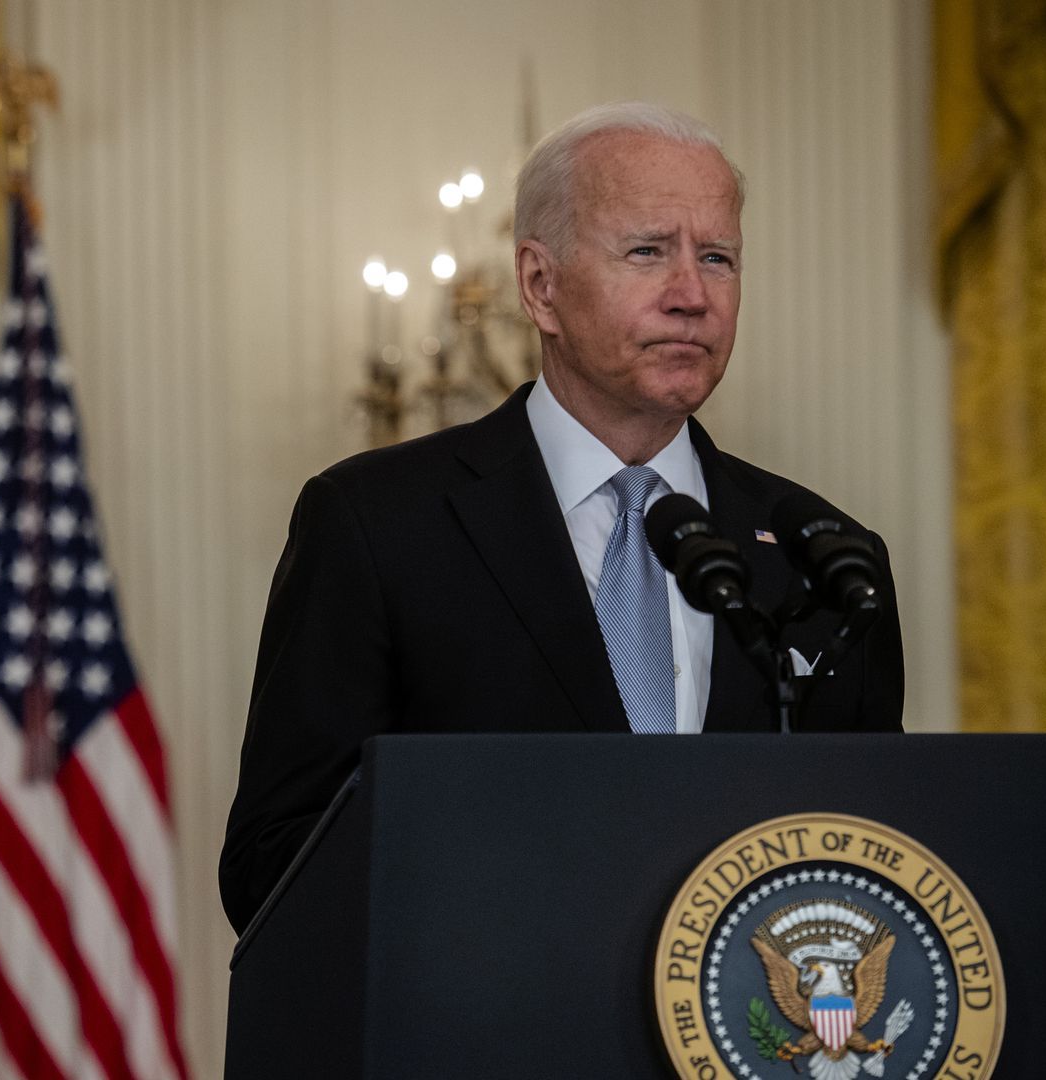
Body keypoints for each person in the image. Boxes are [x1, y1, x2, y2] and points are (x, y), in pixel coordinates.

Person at [219, 102, 904, 935]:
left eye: (717, 258)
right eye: (647, 252)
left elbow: (878, 859)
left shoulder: (825, 561)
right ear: (540, 286)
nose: (692, 296)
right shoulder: (377, 525)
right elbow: (276, 864)